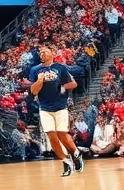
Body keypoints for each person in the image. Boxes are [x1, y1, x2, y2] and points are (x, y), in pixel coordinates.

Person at [28, 47, 82, 176]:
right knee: (52, 136)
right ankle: (65, 161)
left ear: (52, 54)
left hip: (60, 107)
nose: (42, 53)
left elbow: (73, 84)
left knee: (62, 135)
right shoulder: (35, 70)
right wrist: (40, 81)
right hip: (45, 108)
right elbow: (33, 91)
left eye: (45, 51)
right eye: (40, 52)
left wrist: (62, 88)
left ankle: (76, 153)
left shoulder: (60, 67)